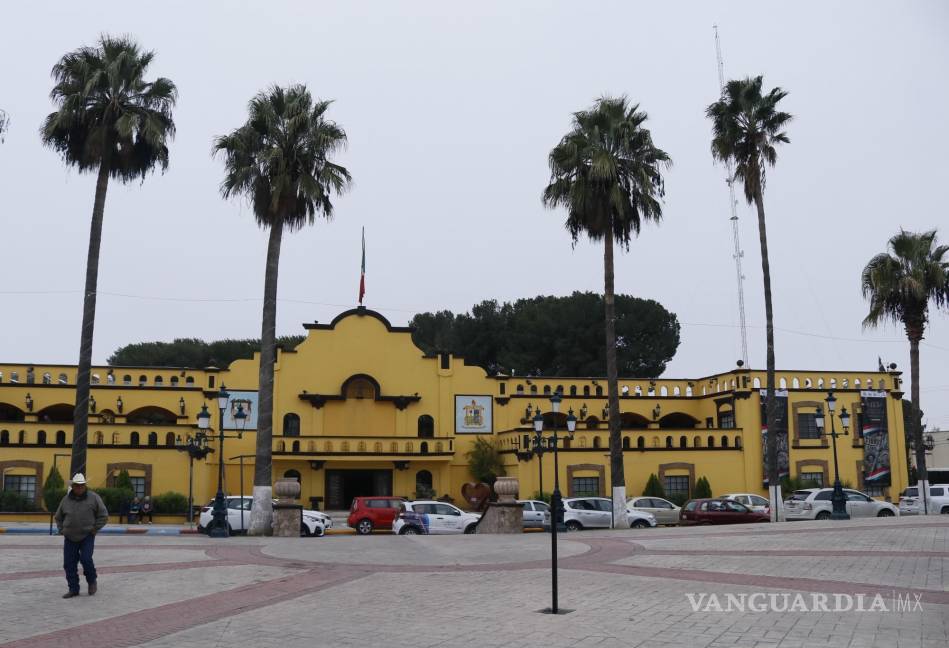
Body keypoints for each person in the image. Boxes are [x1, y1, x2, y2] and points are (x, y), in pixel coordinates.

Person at [54, 473, 108, 598]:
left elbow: (104, 515)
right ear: (72, 486)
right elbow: (58, 516)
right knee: (69, 563)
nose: (79, 488)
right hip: (70, 536)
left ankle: (92, 580)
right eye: (77, 486)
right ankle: (73, 588)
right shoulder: (65, 499)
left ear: (85, 486)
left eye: (81, 485)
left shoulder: (94, 498)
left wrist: (95, 529)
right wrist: (61, 529)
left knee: (86, 559)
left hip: (87, 535)